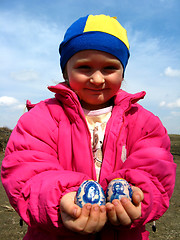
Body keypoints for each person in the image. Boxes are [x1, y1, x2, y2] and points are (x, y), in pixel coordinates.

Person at [1, 14, 176, 240]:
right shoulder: (40, 118)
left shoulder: (144, 122)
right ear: (66, 71)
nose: (96, 79)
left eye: (109, 68)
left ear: (123, 73)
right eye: (84, 67)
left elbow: (155, 172)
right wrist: (61, 201)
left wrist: (139, 198)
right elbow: (26, 173)